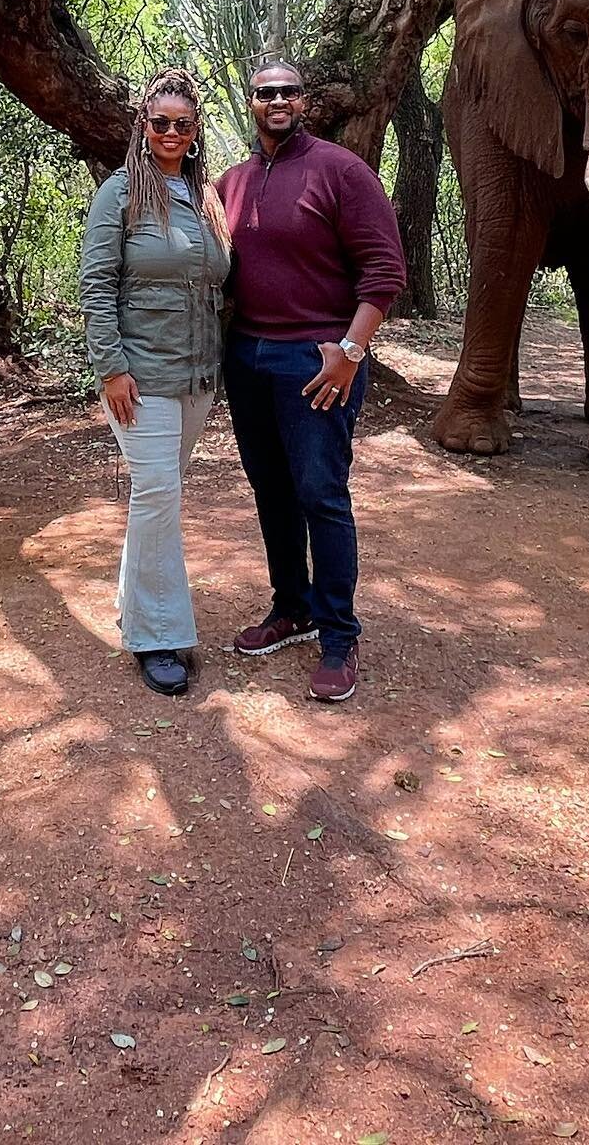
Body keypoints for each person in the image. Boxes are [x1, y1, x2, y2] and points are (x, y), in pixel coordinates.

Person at [216, 60, 406, 703]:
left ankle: (338, 635)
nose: (277, 102)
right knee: (271, 492)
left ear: (305, 102)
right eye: (265, 93)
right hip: (247, 358)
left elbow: (384, 269)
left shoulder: (341, 170)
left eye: (287, 93)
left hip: (316, 360)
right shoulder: (231, 185)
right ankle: (291, 608)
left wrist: (351, 350)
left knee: (321, 494)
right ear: (251, 103)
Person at [79, 68, 232, 696]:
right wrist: (111, 367)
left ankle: (135, 603)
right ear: (143, 129)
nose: (171, 132)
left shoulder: (207, 201)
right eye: (159, 122)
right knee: (159, 495)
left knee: (155, 501)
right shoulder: (119, 194)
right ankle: (160, 636)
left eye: (183, 124)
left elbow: (221, 283)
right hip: (140, 379)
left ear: (195, 134)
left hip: (198, 378)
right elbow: (95, 285)